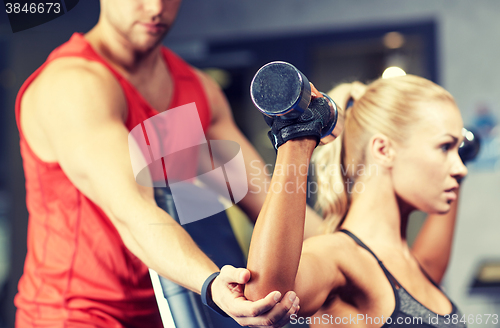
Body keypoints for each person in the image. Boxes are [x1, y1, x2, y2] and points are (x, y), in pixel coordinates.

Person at [14, 0, 325, 326]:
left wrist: (358, 244)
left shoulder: (196, 90)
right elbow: (133, 212)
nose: (155, 8)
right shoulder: (74, 85)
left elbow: (262, 197)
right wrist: (212, 283)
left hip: (164, 312)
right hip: (73, 314)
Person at [244, 75, 469, 327]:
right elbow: (264, 298)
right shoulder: (337, 257)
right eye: (445, 147)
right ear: (384, 150)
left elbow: (433, 260)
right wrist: (296, 137)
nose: (461, 169)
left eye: (459, 151)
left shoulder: (411, 263)